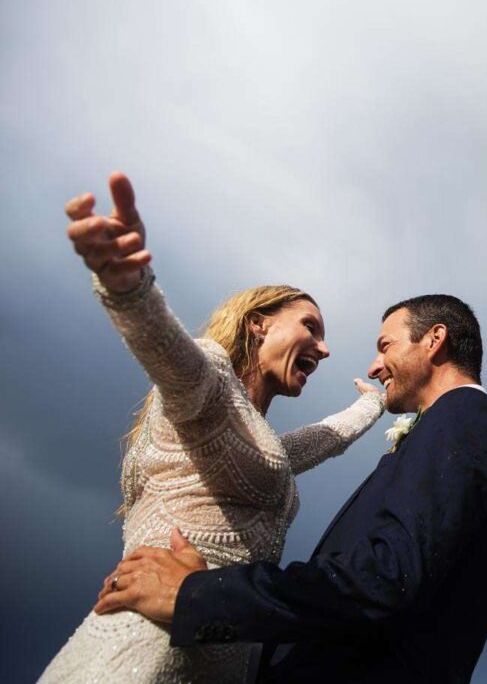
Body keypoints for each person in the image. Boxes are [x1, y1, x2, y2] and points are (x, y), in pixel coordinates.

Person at [40, 173, 387, 683]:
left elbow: (323, 441)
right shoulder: (211, 379)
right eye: (309, 326)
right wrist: (128, 287)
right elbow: (170, 354)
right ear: (259, 323)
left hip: (220, 650)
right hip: (151, 643)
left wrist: (373, 405)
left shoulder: (255, 442)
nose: (325, 347)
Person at [93, 293, 487, 683]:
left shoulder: (465, 418)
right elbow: (173, 360)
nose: (374, 366)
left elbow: (386, 576)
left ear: (434, 340)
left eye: (385, 345)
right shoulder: (453, 425)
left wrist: (200, 596)